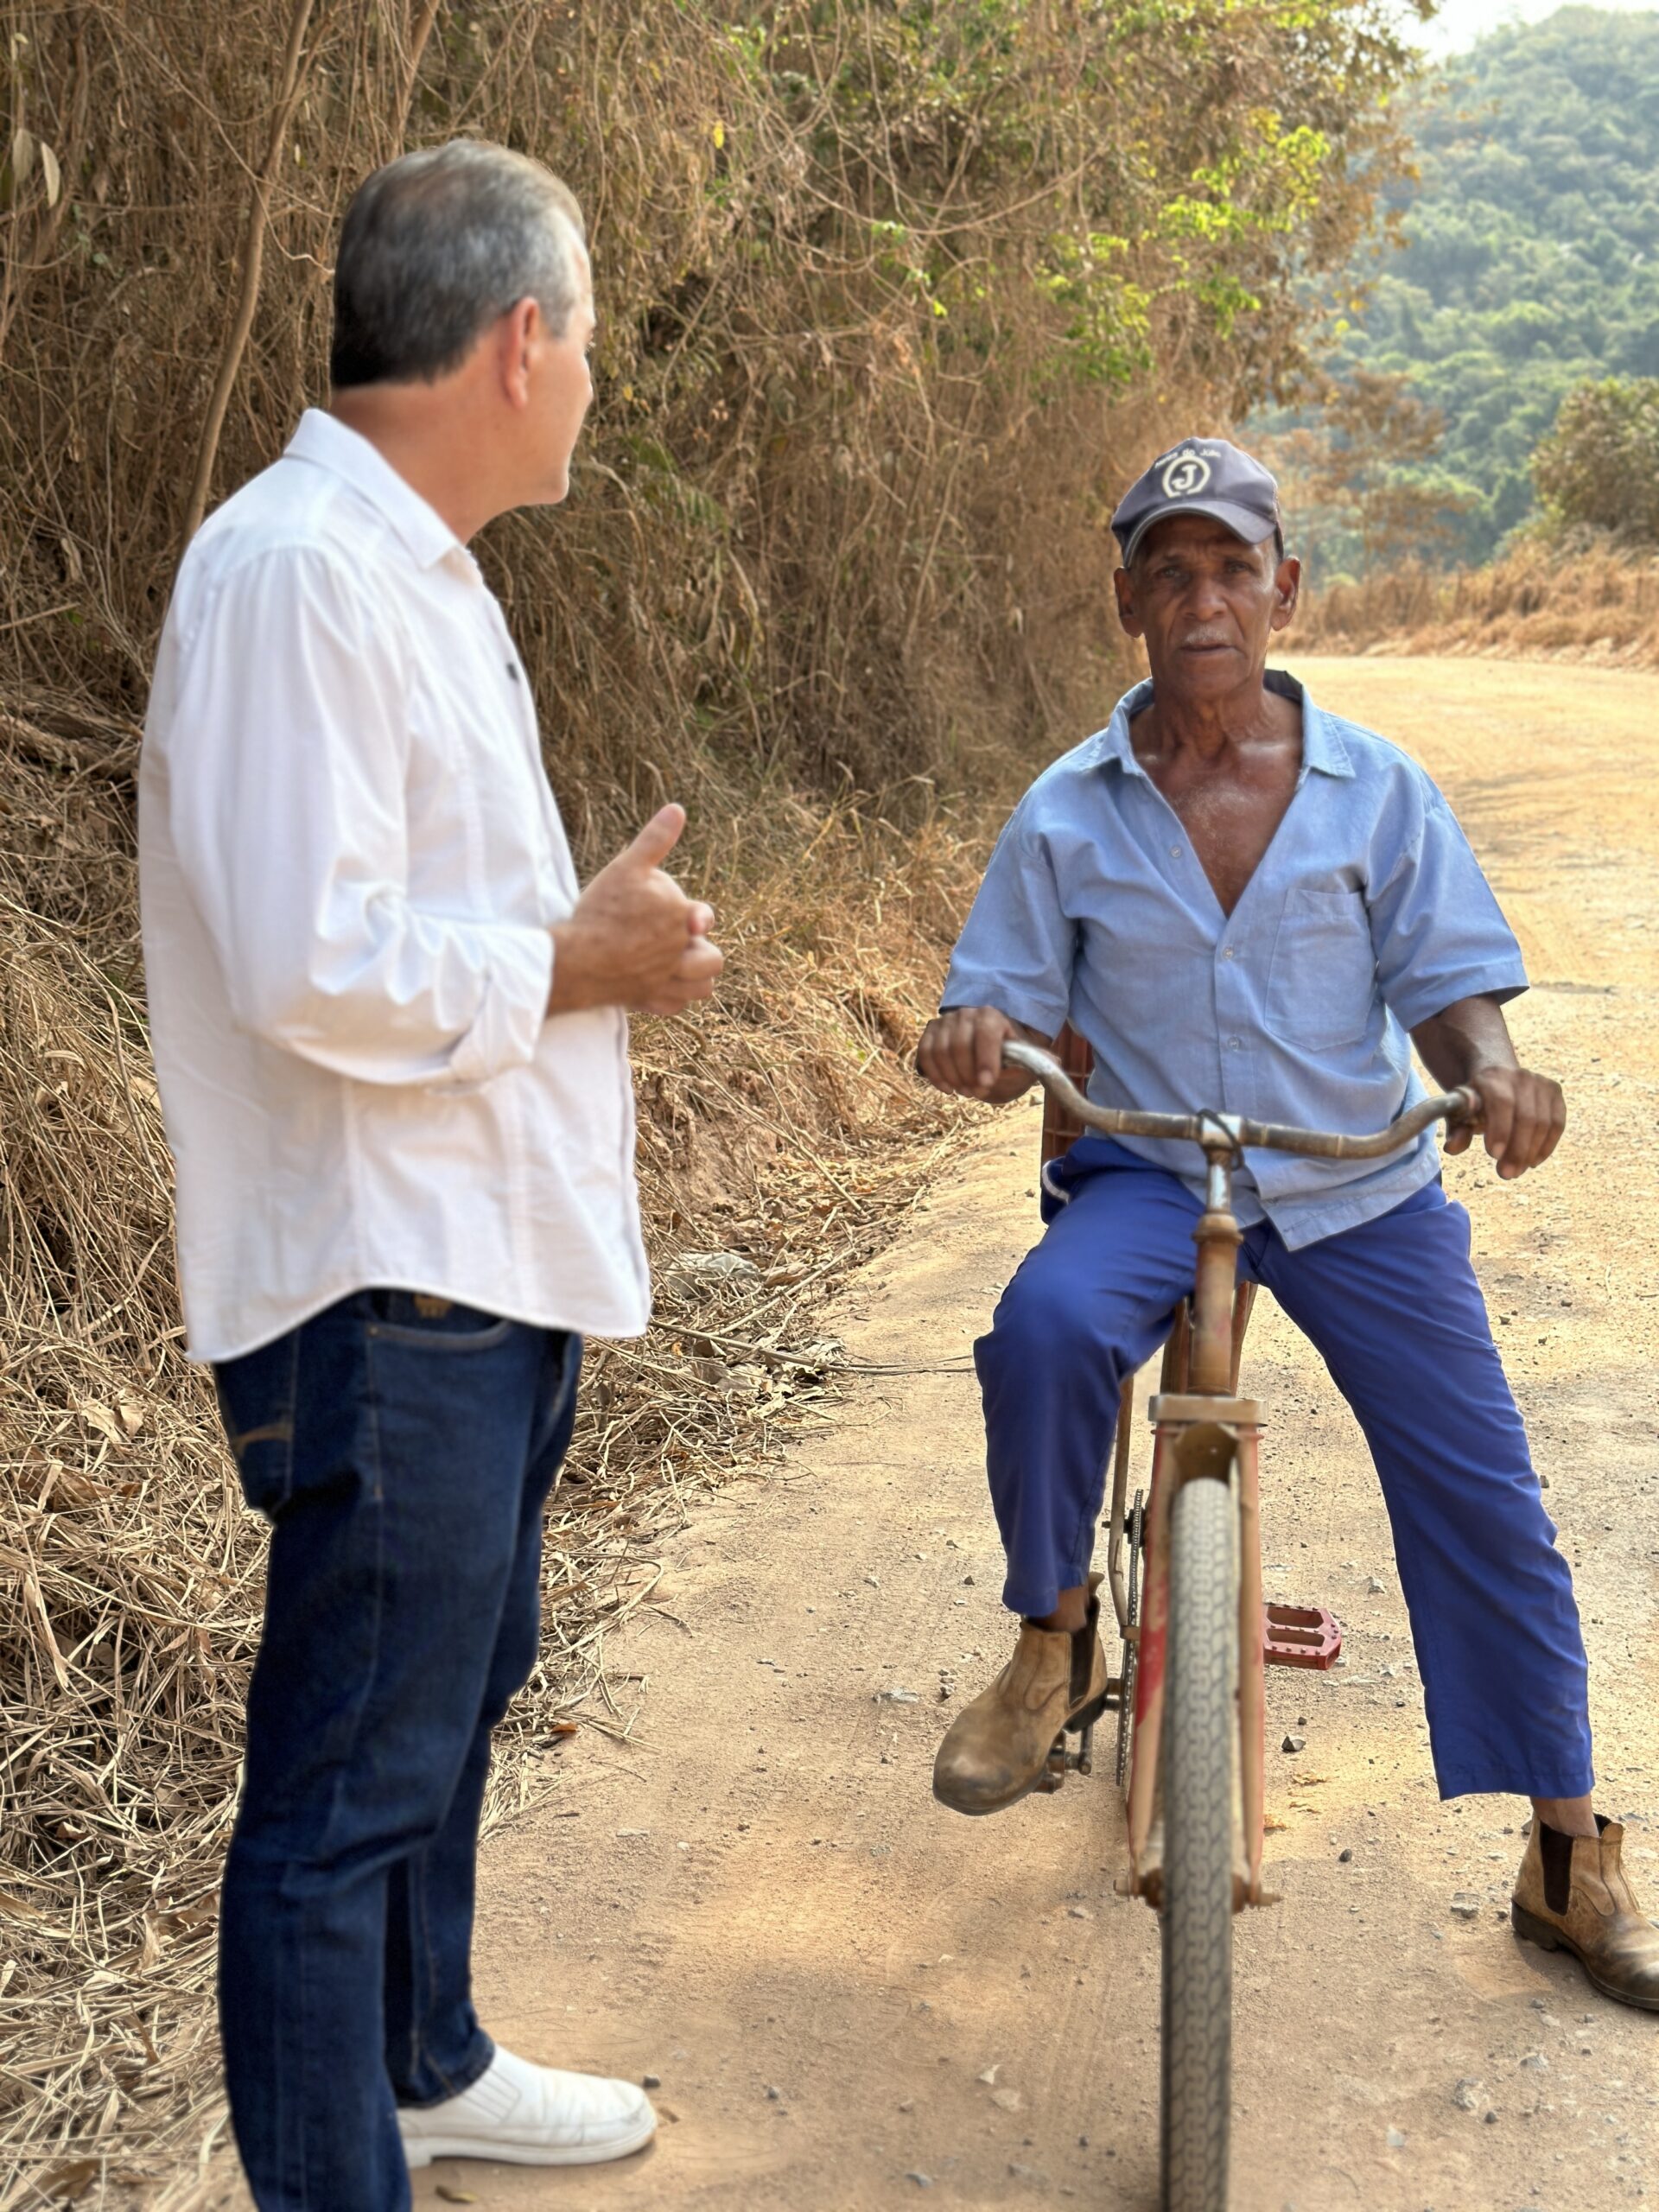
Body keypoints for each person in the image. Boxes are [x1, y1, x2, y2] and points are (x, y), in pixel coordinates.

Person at [138, 142, 723, 2209]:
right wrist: (577, 955)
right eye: (584, 349)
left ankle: (428, 2057)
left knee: (449, 1700)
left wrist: (581, 942)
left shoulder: (412, 570)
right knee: (342, 1796)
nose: (587, 395)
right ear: (522, 336)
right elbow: (310, 953)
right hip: (387, 1292)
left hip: (473, 1259)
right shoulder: (300, 563)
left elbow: (403, 922)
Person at [916, 436, 1658, 2012]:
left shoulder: (1376, 790)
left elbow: (1454, 991)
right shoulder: (1067, 809)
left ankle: (1568, 1852)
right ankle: (1055, 1640)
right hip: (1148, 1172)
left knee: (1481, 1486)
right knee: (1041, 1334)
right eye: (1168, 571)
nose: (1203, 599)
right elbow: (994, 994)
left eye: (1233, 568)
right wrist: (976, 1036)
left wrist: (1496, 1073)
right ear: (1126, 599)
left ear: (1286, 591)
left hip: (1355, 1179)